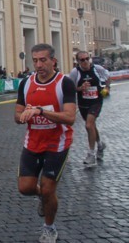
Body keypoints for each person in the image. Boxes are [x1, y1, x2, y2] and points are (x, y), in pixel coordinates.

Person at [15, 43, 76, 243]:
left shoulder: (64, 83)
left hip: (57, 144)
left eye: (43, 60)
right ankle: (43, 197)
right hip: (32, 142)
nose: (39, 64)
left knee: (49, 188)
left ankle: (49, 228)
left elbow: (69, 117)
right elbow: (17, 114)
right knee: (25, 188)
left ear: (53, 61)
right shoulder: (26, 83)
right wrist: (23, 116)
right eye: (35, 60)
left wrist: (41, 111)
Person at [67, 51, 110, 167]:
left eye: (87, 58)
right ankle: (100, 145)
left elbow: (107, 77)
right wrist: (81, 88)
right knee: (92, 126)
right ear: (78, 61)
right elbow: (71, 88)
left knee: (88, 125)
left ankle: (91, 154)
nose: (85, 61)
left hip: (96, 101)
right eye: (82, 60)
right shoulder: (75, 72)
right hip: (83, 103)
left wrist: (107, 88)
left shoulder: (98, 68)